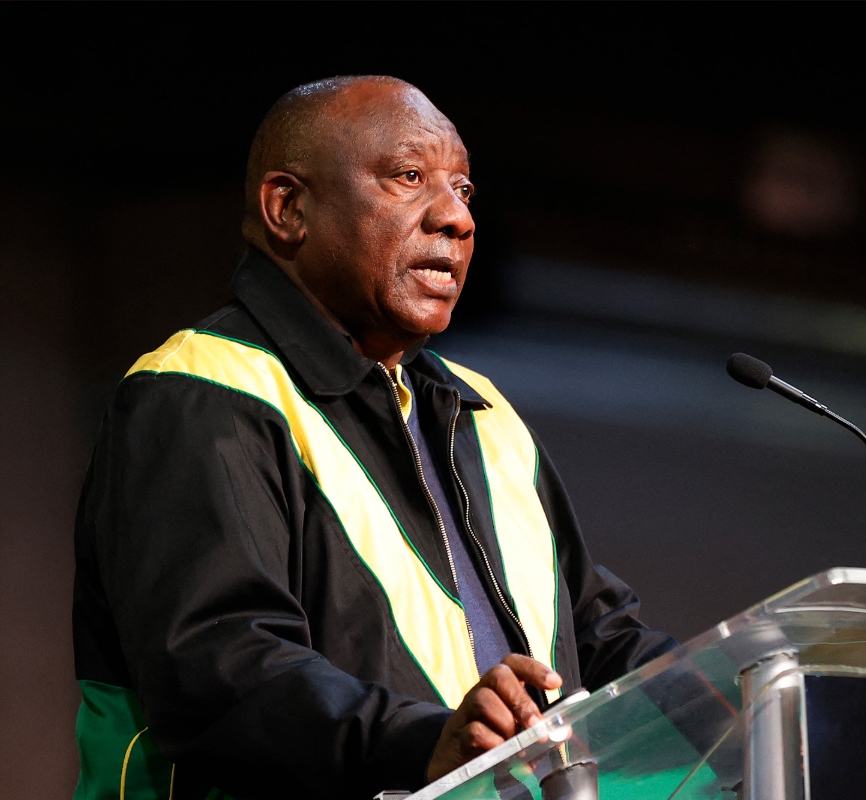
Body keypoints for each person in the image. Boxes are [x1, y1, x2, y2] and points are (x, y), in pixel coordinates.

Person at [72, 76, 676, 800]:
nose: (455, 217)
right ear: (288, 208)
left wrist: (757, 686)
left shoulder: (482, 416)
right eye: (410, 177)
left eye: (464, 189)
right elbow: (219, 669)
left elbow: (599, 642)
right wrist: (423, 744)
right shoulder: (198, 393)